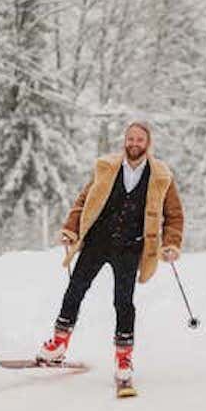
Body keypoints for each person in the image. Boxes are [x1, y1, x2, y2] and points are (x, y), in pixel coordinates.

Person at [37, 121, 184, 386]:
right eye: (130, 139)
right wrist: (71, 229)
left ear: (148, 144)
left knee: (123, 301)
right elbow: (83, 200)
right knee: (75, 289)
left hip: (130, 246)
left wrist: (171, 243)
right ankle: (58, 344)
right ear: (124, 141)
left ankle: (123, 358)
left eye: (140, 140)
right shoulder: (105, 167)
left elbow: (174, 214)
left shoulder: (161, 175)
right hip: (97, 240)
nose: (134, 144)